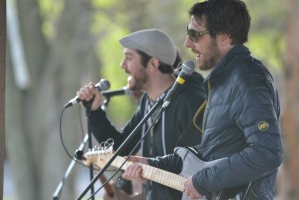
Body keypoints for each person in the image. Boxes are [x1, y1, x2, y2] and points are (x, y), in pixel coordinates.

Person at [121, 0, 284, 199]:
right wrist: (151, 165)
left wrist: (203, 181)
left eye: (194, 35)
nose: (187, 43)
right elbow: (209, 154)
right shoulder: (223, 81)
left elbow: (267, 153)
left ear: (224, 37)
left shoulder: (247, 79)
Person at [76, 29, 206, 199]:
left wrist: (149, 173)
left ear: (153, 64)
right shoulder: (147, 101)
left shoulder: (189, 101)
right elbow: (123, 147)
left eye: (129, 58)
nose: (122, 65)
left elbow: (200, 167)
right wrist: (95, 111)